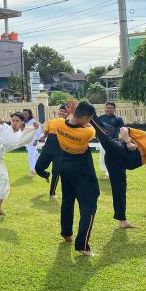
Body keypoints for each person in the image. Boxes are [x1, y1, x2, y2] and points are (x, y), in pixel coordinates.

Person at [91, 118, 146, 228]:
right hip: (120, 151)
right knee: (105, 138)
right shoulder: (143, 135)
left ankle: (122, 220)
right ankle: (90, 116)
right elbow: (123, 129)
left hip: (119, 165)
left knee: (120, 190)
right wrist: (128, 142)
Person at [54, 101, 98, 256]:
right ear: (85, 117)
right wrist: (76, 113)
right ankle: (82, 245)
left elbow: (73, 120)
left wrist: (73, 113)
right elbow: (92, 127)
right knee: (89, 206)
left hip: (65, 166)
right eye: (89, 118)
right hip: (82, 170)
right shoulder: (86, 133)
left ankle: (66, 233)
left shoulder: (58, 124)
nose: (89, 120)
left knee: (68, 200)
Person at [35, 104, 69, 198]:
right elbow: (46, 133)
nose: (62, 113)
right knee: (38, 168)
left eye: (64, 111)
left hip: (60, 150)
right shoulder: (51, 121)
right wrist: (42, 137)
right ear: (58, 111)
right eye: (61, 111)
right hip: (48, 147)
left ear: (68, 114)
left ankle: (52, 193)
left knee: (56, 171)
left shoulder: (69, 123)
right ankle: (46, 175)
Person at [96, 102, 125, 178]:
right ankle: (107, 171)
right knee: (102, 157)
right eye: (107, 107)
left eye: (111, 108)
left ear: (114, 109)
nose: (109, 109)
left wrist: (120, 140)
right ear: (105, 108)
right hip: (103, 141)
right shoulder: (100, 118)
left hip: (113, 141)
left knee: (112, 157)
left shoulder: (118, 119)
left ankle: (111, 172)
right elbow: (97, 129)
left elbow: (121, 130)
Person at [23, 108, 43, 177]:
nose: (24, 115)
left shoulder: (33, 121)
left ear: (30, 114)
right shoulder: (27, 122)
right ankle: (40, 166)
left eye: (26, 114)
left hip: (33, 141)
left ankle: (32, 170)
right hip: (29, 141)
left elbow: (39, 130)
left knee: (31, 156)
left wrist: (36, 140)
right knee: (35, 154)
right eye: (24, 114)